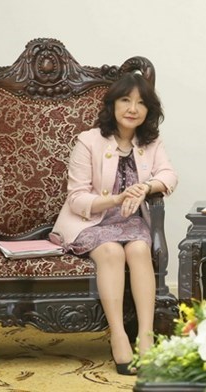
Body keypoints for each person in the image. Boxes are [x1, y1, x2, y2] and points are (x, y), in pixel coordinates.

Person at [50, 73, 178, 375]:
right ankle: (119, 335)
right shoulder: (89, 140)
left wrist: (146, 188)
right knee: (111, 252)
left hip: (132, 224)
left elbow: (169, 176)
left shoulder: (152, 142)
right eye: (125, 100)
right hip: (90, 222)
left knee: (137, 250)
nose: (132, 108)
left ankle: (146, 337)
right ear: (113, 104)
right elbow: (77, 198)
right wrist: (117, 199)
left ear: (149, 111)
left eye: (140, 103)